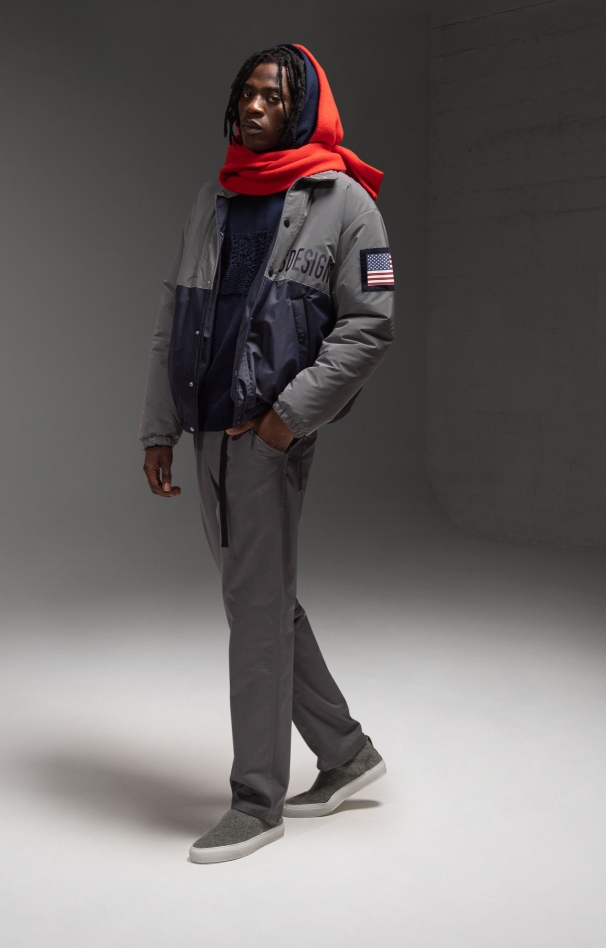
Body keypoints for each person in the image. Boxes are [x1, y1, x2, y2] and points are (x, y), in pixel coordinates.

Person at [140, 44, 394, 864]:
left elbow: (369, 327)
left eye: (272, 97)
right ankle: (347, 753)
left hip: (265, 435)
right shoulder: (215, 198)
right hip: (207, 428)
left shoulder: (345, 203)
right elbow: (174, 315)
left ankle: (257, 801)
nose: (253, 106)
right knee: (261, 601)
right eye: (246, 93)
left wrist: (288, 419)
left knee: (254, 608)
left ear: (303, 108)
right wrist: (158, 426)